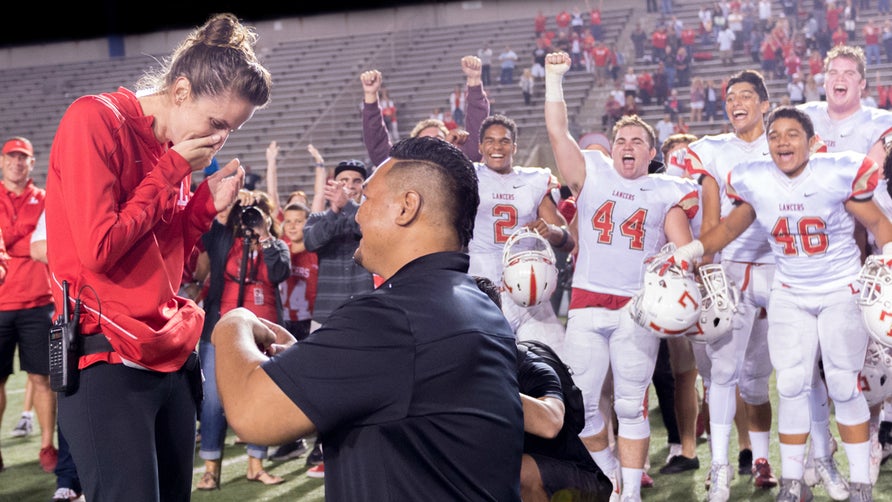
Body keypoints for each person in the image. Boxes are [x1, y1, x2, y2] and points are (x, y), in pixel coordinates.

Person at [211, 136, 524, 500]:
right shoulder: (478, 305)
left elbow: (252, 414)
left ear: (407, 207)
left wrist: (233, 321)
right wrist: (313, 363)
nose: (357, 213)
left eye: (368, 198)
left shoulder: (393, 317)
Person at [43, 13, 271, 501]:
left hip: (169, 352)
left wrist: (205, 206)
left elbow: (172, 267)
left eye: (229, 130)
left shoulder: (175, 151)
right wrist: (170, 173)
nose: (218, 139)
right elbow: (100, 249)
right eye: (217, 123)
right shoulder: (96, 119)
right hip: (105, 354)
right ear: (182, 90)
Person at [669, 105, 887, 502]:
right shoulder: (756, 180)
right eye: (775, 135)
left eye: (792, 134)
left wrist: (888, 258)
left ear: (811, 141)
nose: (782, 141)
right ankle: (791, 480)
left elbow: (877, 222)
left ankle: (861, 484)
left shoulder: (835, 172)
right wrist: (693, 251)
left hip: (839, 288)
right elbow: (730, 228)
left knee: (840, 382)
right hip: (790, 289)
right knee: (790, 384)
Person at [544, 51, 699, 502]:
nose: (627, 145)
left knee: (631, 405)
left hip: (637, 308)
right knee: (583, 405)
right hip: (589, 304)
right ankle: (612, 476)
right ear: (612, 148)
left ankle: (628, 494)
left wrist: (683, 261)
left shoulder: (665, 189)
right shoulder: (593, 175)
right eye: (621, 139)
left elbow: (682, 245)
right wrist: (555, 79)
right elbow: (557, 131)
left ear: (652, 152)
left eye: (637, 140)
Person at [672, 69, 780, 500]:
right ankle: (718, 466)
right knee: (722, 375)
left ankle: (773, 458)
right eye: (730, 96)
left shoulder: (785, 139)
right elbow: (712, 216)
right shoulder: (712, 150)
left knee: (770, 379)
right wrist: (708, 267)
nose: (736, 101)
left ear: (765, 104)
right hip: (733, 268)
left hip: (781, 266)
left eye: (747, 95)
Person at [195, 189, 290, 490]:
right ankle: (210, 469)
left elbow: (280, 271)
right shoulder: (225, 239)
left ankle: (256, 465)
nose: (250, 218)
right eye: (248, 213)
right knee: (212, 403)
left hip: (264, 332)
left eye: (259, 212)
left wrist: (264, 235)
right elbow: (210, 229)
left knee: (261, 399)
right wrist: (235, 201)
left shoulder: (276, 245)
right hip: (219, 329)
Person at [468, 114, 575, 354]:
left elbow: (568, 240)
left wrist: (552, 232)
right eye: (490, 141)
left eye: (504, 141)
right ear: (480, 147)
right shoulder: (469, 175)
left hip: (529, 290)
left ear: (514, 146)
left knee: (555, 364)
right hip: (483, 292)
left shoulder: (534, 180)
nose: (497, 147)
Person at [301, 158, 375, 476]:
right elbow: (312, 241)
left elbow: (368, 231)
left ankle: (364, 445)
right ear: (332, 185)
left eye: (355, 181)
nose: (348, 185)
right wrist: (335, 210)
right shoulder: (318, 217)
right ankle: (324, 446)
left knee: (365, 379)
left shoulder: (372, 216)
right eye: (342, 180)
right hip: (327, 312)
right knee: (326, 380)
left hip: (365, 309)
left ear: (363, 187)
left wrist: (348, 208)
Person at [0, 136, 58, 474]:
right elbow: (32, 244)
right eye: (12, 157)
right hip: (2, 303)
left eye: (23, 158)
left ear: (32, 164)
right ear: (3, 161)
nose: (17, 163)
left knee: (43, 378)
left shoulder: (46, 199)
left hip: (39, 303)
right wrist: (27, 242)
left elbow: (46, 244)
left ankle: (46, 444)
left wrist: (11, 243)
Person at [30, 210, 84, 502]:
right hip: (73, 316)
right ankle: (68, 478)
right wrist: (85, 247)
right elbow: (36, 247)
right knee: (69, 395)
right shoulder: (58, 201)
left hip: (120, 317)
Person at [361, 55, 488, 167]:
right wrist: (370, 94)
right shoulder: (404, 170)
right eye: (426, 139)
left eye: (438, 138)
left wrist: (474, 79)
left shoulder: (460, 165)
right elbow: (379, 149)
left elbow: (476, 127)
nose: (432, 143)